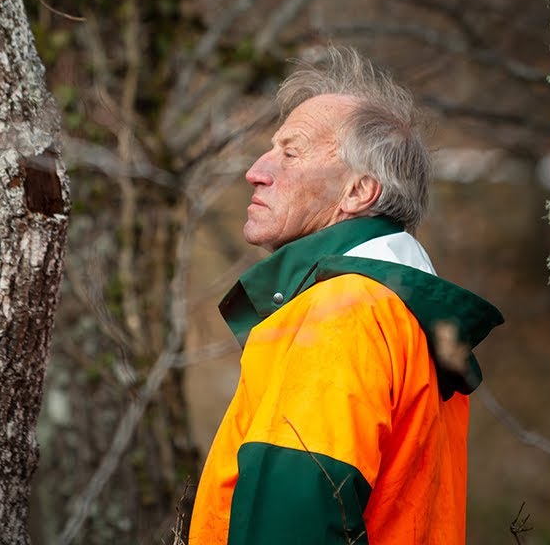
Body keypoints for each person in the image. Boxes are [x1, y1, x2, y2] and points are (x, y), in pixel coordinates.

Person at [188, 47, 503, 545]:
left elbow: (293, 520)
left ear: (358, 192)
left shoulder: (344, 314)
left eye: (290, 152)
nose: (256, 169)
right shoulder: (395, 314)